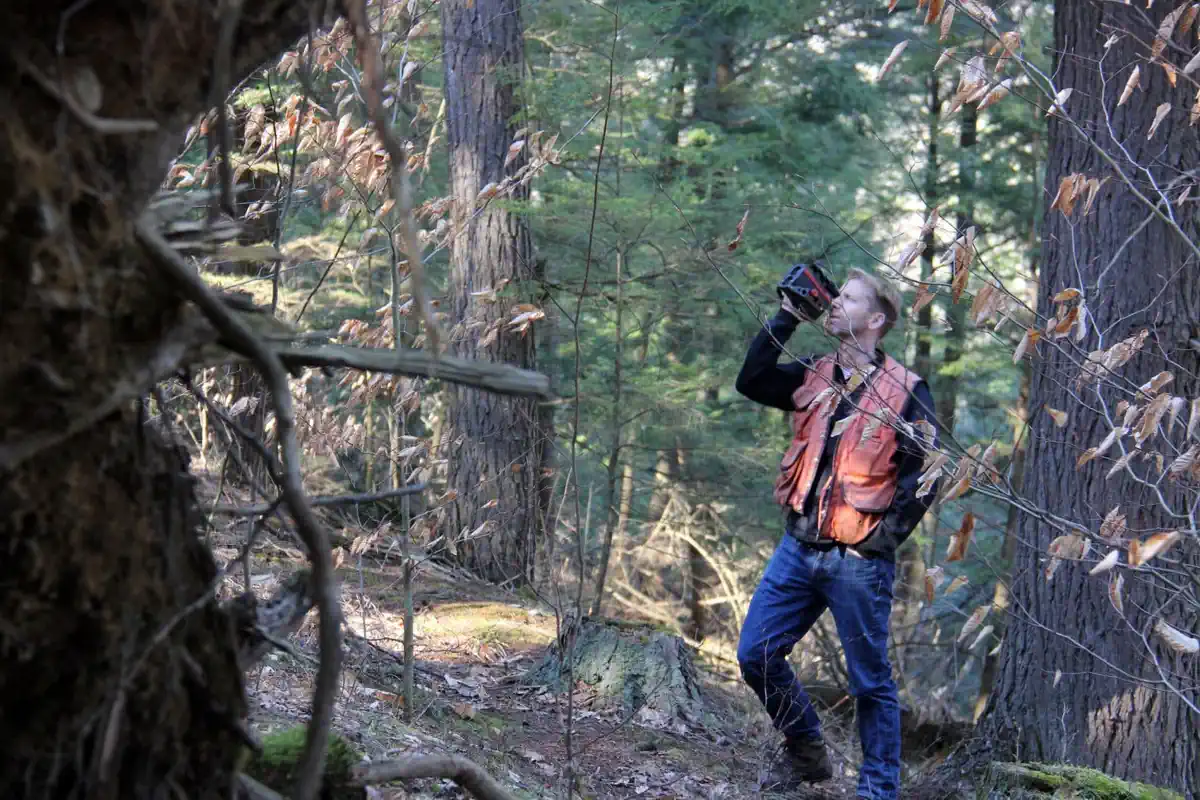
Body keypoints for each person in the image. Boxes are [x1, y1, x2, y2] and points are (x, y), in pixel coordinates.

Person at [733, 267, 939, 800]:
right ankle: (806, 750)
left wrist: (879, 541)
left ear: (875, 320)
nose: (834, 303)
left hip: (858, 560)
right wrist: (787, 316)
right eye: (835, 296)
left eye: (847, 298)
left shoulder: (907, 391)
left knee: (870, 683)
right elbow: (751, 379)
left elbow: (925, 476)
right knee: (756, 655)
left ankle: (878, 791)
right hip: (798, 547)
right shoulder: (815, 372)